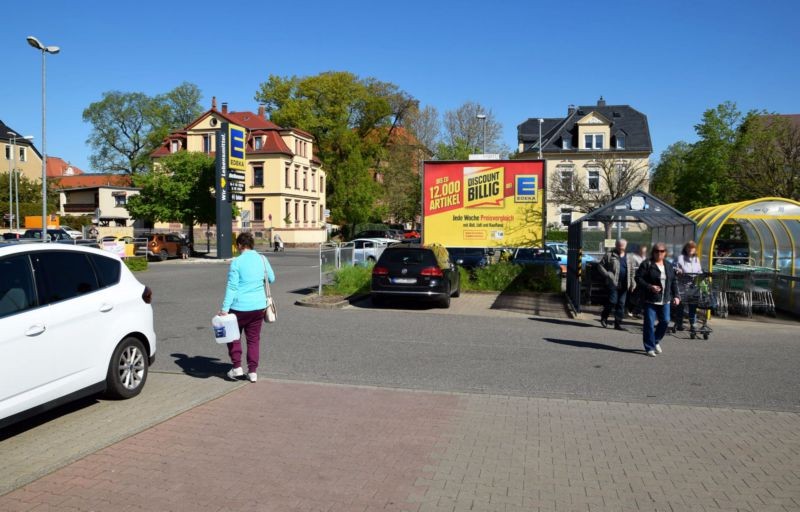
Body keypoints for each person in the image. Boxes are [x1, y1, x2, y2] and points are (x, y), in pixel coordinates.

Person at [218, 232, 275, 383]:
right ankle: (253, 372)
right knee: (253, 339)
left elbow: (232, 287)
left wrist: (224, 309)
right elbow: (272, 278)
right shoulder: (262, 259)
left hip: (238, 307)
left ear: (239, 246)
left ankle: (237, 367)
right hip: (258, 307)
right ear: (251, 245)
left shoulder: (237, 262)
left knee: (233, 337)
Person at [635, 243, 681, 357]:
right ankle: (649, 347)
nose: (659, 253)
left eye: (661, 251)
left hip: (665, 299)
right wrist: (650, 286)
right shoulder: (647, 264)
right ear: (653, 252)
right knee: (649, 324)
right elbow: (638, 278)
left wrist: (676, 296)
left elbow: (673, 281)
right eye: (656, 251)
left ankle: (655, 341)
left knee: (665, 321)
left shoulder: (668, 265)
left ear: (665, 252)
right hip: (650, 299)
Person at [597, 239, 629, 331]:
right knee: (612, 301)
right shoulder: (609, 255)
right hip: (613, 282)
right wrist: (607, 274)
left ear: (625, 247)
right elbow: (600, 266)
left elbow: (632, 270)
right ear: (616, 245)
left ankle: (617, 324)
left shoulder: (629, 257)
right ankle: (604, 317)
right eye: (619, 246)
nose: (621, 249)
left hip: (624, 284)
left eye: (622, 247)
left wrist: (633, 283)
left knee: (621, 304)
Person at [674, 241, 703, 331]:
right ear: (686, 249)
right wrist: (678, 270)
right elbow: (674, 267)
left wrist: (701, 274)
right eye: (689, 248)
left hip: (693, 285)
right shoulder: (681, 258)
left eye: (693, 248)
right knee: (681, 305)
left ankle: (693, 324)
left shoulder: (696, 259)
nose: (691, 249)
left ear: (695, 250)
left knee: (693, 304)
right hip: (682, 284)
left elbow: (699, 270)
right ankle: (679, 323)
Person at [626, 245, 648, 317]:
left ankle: (638, 311)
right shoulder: (634, 258)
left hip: (643, 279)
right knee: (634, 295)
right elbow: (633, 268)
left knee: (641, 297)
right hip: (636, 278)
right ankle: (629, 310)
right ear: (639, 251)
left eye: (644, 251)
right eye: (642, 251)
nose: (643, 253)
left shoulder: (646, 258)